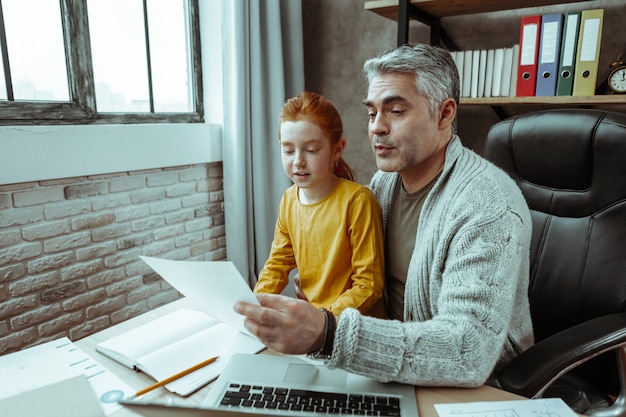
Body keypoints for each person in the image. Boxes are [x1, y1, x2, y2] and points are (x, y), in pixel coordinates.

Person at [235, 44, 534, 387]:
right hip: (385, 371)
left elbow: (466, 352)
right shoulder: (384, 185)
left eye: (395, 111)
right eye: (371, 113)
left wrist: (328, 333)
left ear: (445, 113)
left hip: (478, 388)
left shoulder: (487, 204)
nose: (377, 127)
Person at [253, 91, 386, 318]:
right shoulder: (288, 200)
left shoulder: (358, 201)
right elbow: (277, 265)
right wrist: (254, 304)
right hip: (314, 325)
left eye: (311, 150)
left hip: (352, 327)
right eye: (288, 150)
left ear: (337, 149)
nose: (298, 161)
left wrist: (324, 321)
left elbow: (369, 284)